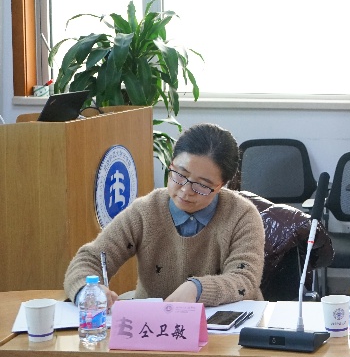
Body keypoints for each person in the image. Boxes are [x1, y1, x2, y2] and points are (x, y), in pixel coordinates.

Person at [64, 123, 265, 307]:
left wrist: (197, 289)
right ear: (171, 164)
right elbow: (90, 259)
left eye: (202, 185)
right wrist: (87, 291)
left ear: (221, 185)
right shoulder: (145, 211)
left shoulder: (242, 216)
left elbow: (244, 279)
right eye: (180, 175)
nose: (186, 190)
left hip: (225, 325)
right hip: (153, 326)